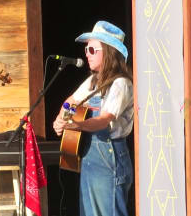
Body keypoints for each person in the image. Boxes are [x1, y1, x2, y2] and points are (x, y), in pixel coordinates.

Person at [53, 20, 134, 216]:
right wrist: (61, 119)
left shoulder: (121, 84)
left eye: (91, 49)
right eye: (86, 49)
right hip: (91, 154)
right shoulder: (92, 81)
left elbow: (104, 119)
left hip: (110, 153)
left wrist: (78, 125)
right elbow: (70, 101)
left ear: (107, 52)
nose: (86, 54)